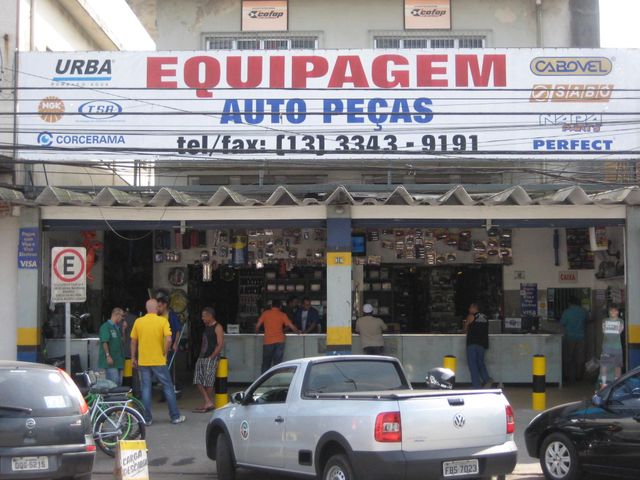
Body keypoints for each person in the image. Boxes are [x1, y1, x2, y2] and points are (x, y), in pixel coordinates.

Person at [131, 298, 186, 425]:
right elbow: (168, 340)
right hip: (159, 360)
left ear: (146, 309)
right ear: (156, 309)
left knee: (146, 388)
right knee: (168, 387)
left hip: (143, 361)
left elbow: (133, 341)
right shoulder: (162, 321)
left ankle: (147, 419)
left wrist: (134, 358)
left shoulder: (138, 322)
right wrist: (165, 352)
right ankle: (174, 416)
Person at [193, 307, 224, 412]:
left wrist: (212, 357)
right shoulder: (206, 327)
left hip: (212, 357)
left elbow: (220, 344)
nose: (202, 318)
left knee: (209, 381)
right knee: (198, 379)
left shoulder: (218, 327)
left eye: (204, 316)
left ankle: (207, 403)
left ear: (210, 316)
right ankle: (208, 402)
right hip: (202, 356)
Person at [255, 299, 300, 373]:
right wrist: (298, 332)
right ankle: (276, 380)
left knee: (266, 364)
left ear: (271, 306)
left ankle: (264, 382)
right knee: (277, 364)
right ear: (280, 307)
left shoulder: (265, 313)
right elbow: (291, 326)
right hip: (280, 342)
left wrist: (256, 332)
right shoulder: (282, 315)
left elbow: (257, 326)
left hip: (268, 342)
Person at [464, 302, 493, 389]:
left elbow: (465, 328)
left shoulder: (470, 316)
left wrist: (466, 327)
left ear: (474, 308)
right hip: (482, 344)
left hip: (472, 343)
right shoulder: (485, 317)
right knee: (480, 363)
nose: (469, 309)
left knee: (473, 364)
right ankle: (487, 380)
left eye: (470, 308)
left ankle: (476, 385)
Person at [560, 297, 588, 383]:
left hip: (570, 337)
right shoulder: (583, 311)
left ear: (570, 303)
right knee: (580, 357)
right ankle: (578, 376)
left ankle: (566, 376)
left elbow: (562, 323)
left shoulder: (567, 312)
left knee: (568, 356)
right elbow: (587, 320)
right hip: (581, 337)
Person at [98, 307, 125, 386]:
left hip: (119, 361)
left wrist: (123, 330)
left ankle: (117, 398)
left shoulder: (117, 328)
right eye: (122, 316)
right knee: (113, 383)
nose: (122, 318)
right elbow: (104, 341)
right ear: (116, 315)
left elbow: (122, 342)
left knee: (119, 382)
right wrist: (108, 356)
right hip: (111, 361)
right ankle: (112, 398)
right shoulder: (106, 326)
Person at [599, 304, 624, 388]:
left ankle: (616, 383)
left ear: (618, 312)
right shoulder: (605, 320)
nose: (613, 312)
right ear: (609, 311)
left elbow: (620, 331)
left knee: (617, 366)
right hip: (606, 347)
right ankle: (603, 383)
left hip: (617, 347)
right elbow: (603, 330)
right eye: (611, 310)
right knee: (604, 364)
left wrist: (616, 328)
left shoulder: (620, 321)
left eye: (615, 310)